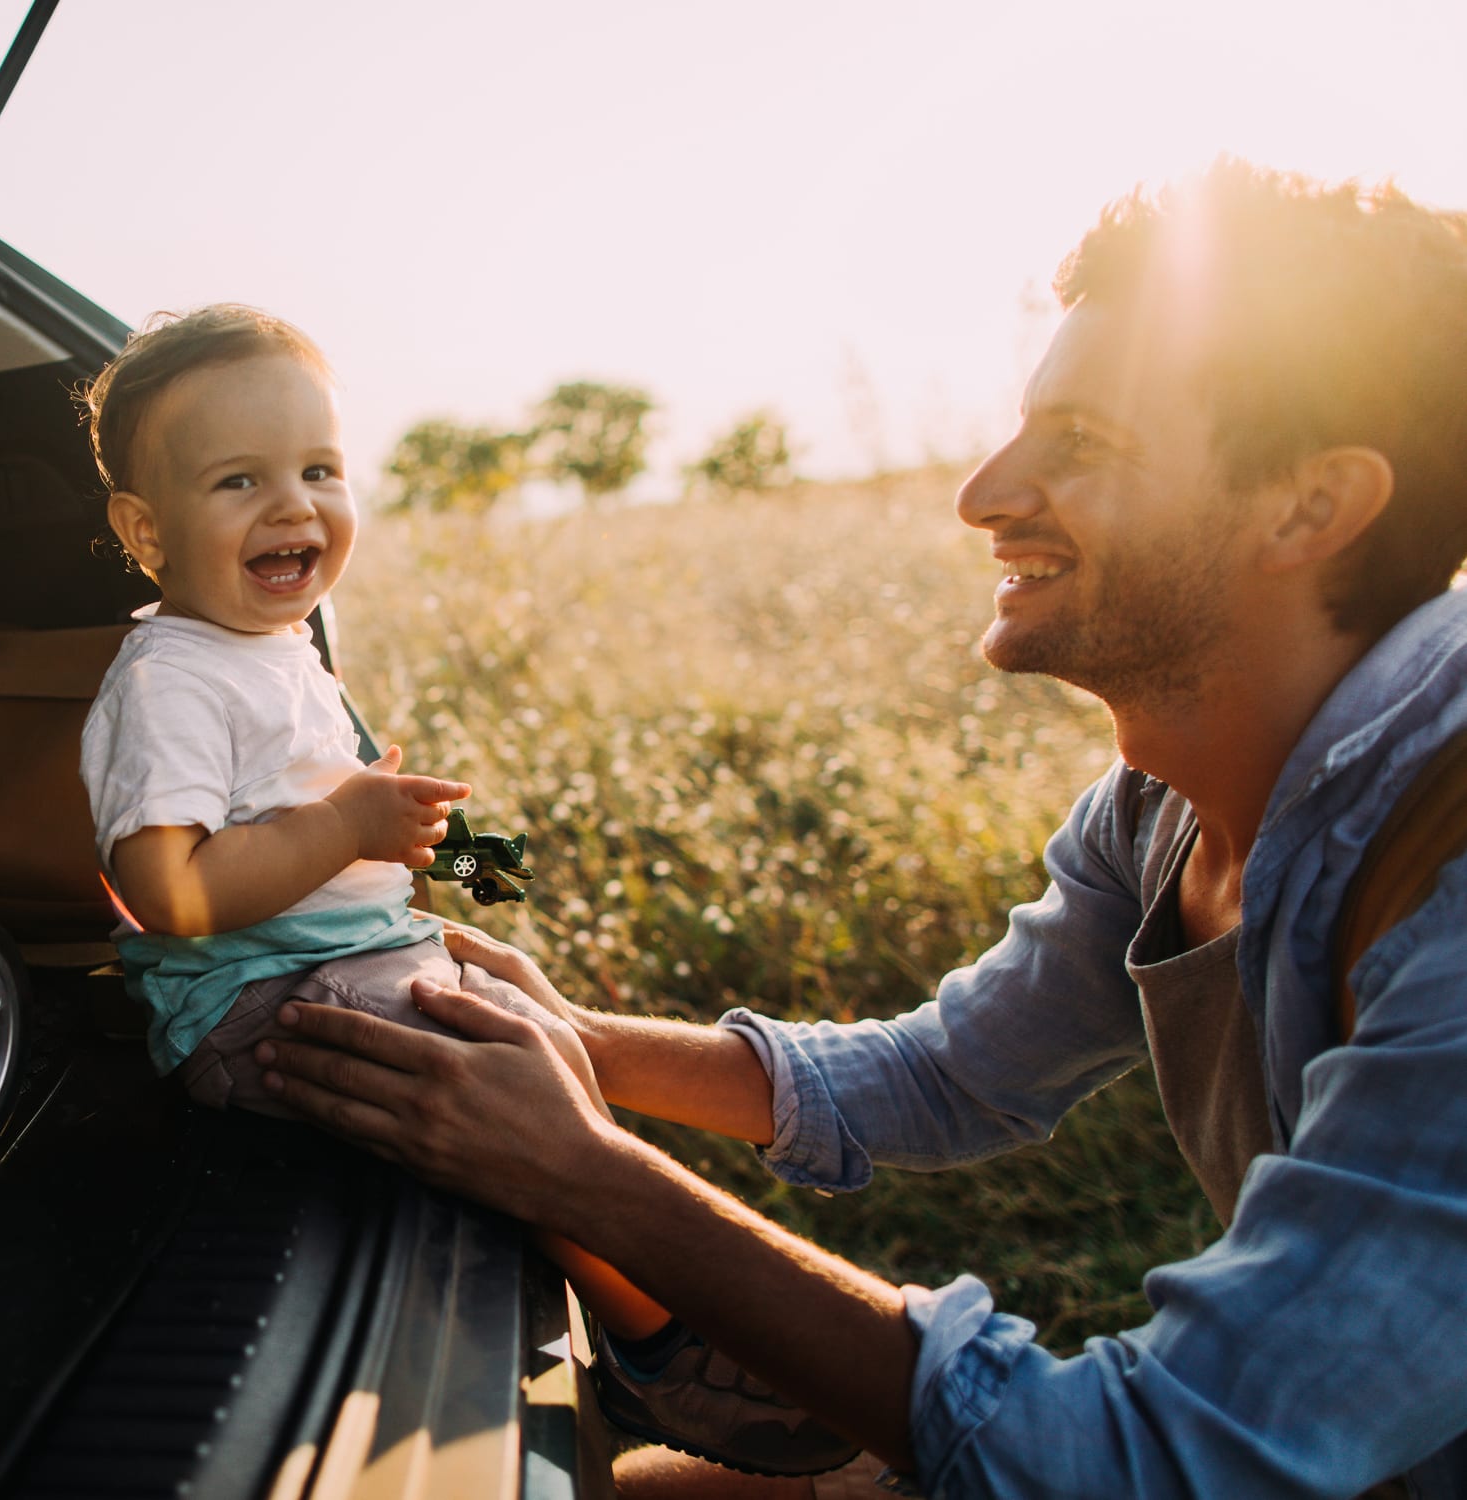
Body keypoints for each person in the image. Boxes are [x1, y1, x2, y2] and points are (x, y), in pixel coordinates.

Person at [255, 160, 1467, 1499]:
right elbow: (952, 1073)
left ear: (1310, 509)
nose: (985, 491)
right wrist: (581, 1050)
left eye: (1086, 444)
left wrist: (594, 1178)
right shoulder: (1164, 805)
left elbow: (1142, 1459)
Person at [75, 304, 856, 1480]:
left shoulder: (279, 650)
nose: (294, 506)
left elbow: (346, 810)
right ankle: (664, 1348)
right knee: (502, 1083)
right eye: (240, 480)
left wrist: (449, 853)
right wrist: (347, 822)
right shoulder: (171, 682)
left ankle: (636, 1301)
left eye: (319, 469)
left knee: (545, 1035)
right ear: (146, 529)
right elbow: (170, 890)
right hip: (255, 1004)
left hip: (338, 958)